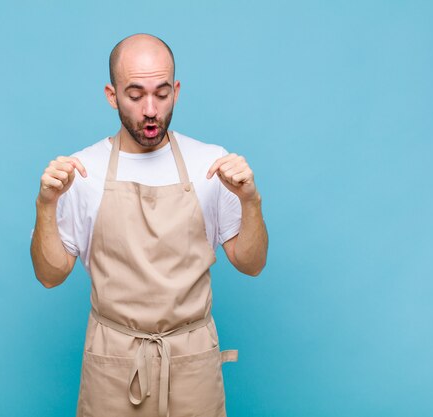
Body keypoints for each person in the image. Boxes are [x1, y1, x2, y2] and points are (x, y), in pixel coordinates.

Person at [30, 33, 268, 417]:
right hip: (114, 362)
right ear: (112, 95)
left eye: (161, 93)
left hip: (191, 360)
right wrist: (45, 205)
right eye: (135, 94)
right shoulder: (82, 171)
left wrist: (251, 201)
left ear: (176, 90)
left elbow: (251, 263)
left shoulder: (210, 163)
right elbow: (50, 275)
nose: (151, 109)